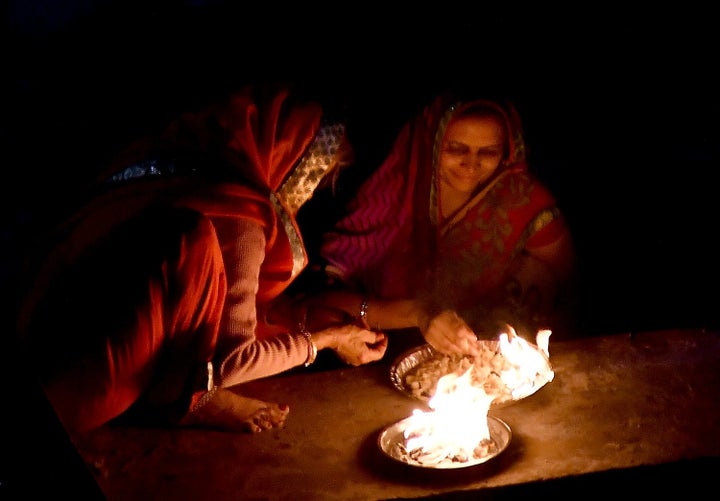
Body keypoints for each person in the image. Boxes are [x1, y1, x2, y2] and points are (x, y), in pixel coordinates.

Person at [14, 84, 388, 438]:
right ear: (292, 163)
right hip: (85, 385)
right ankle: (186, 398)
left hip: (47, 331)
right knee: (189, 241)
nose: (311, 194)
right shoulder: (238, 211)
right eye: (318, 178)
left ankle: (182, 393)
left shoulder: (188, 166)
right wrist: (327, 340)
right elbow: (234, 360)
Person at [295, 90, 577, 353]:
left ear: (507, 153)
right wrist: (417, 314)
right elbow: (319, 298)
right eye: (456, 148)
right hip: (378, 349)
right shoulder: (391, 194)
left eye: (488, 152)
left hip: (482, 353)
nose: (471, 164)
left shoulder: (523, 201)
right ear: (430, 145)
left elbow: (566, 288)